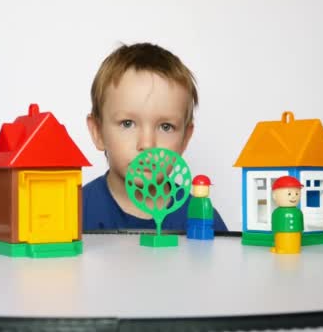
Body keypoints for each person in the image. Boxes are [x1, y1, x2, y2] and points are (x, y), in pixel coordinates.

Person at [82, 42, 227, 232]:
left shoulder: (202, 218)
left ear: (185, 139)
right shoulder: (76, 212)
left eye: (166, 127)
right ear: (98, 132)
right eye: (127, 123)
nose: (147, 144)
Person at [270, 176, 304, 254]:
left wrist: (301, 229)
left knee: (294, 244)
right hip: (281, 233)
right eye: (289, 193)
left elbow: (301, 223)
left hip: (296, 233)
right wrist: (275, 230)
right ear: (274, 196)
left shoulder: (298, 211)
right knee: (281, 241)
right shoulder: (277, 212)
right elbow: (274, 226)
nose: (293, 196)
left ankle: (290, 249)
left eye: (297, 193)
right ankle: (280, 248)